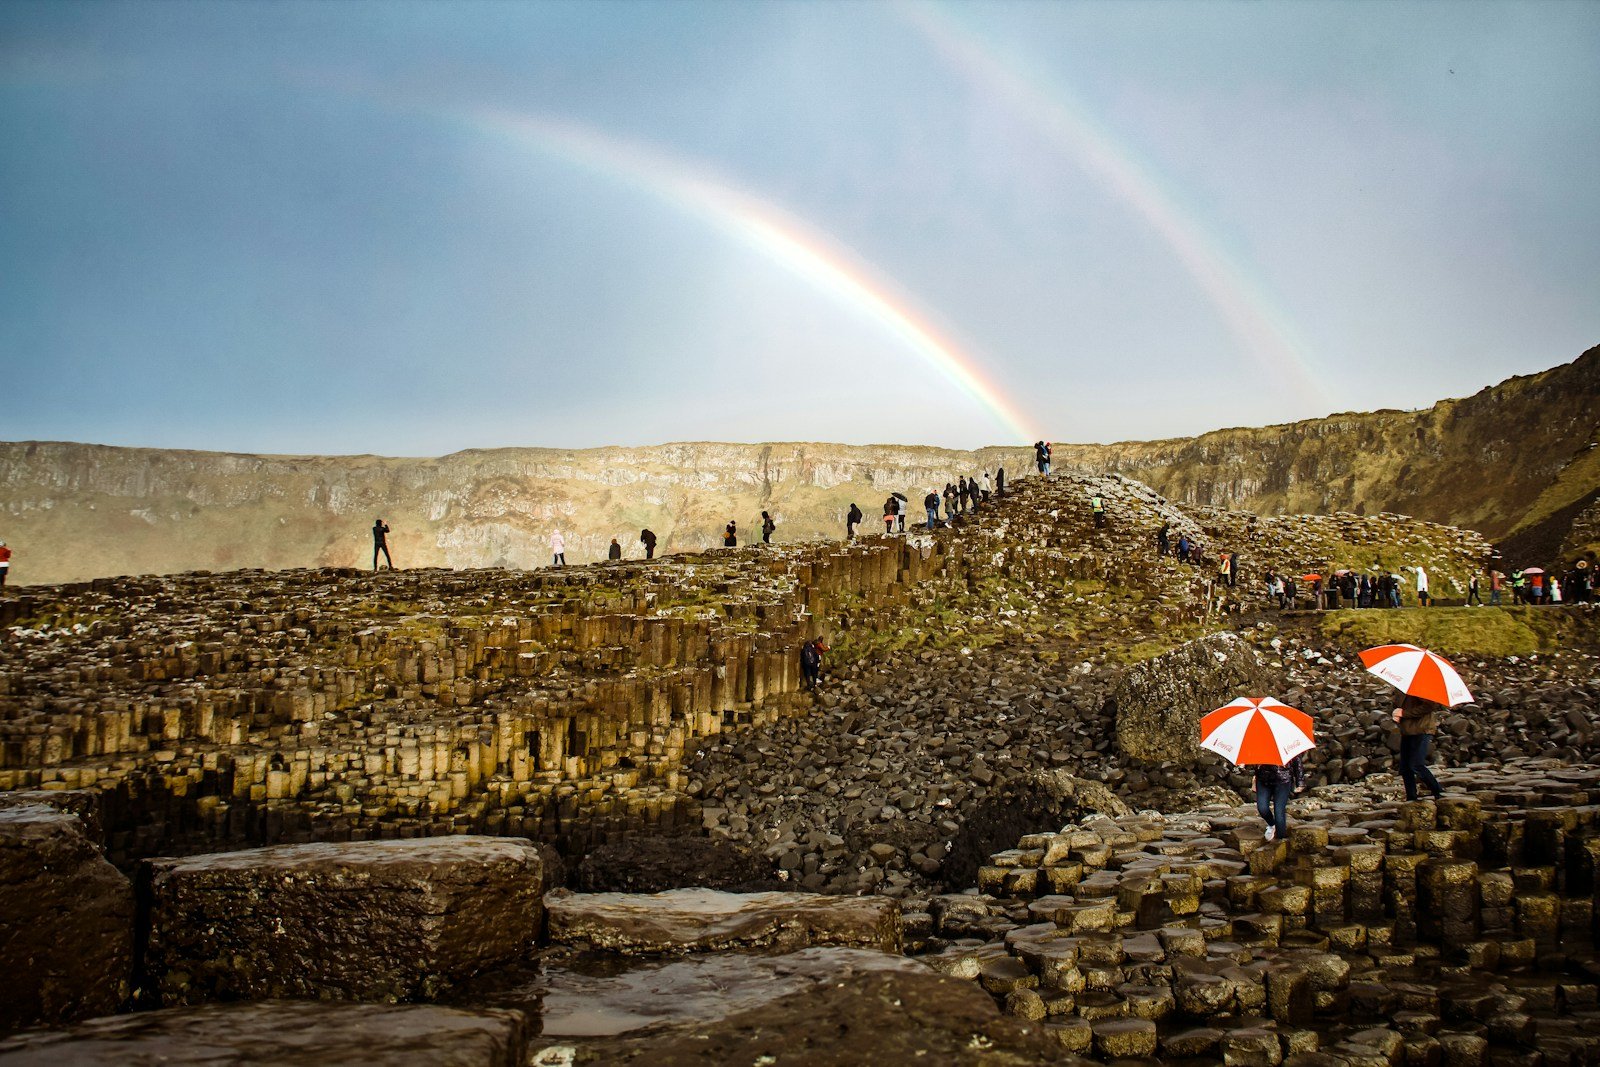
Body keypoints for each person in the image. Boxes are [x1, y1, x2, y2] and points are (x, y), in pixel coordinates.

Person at [1393, 693, 1444, 801]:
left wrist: (1404, 713)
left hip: (1421, 730)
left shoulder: (1422, 689)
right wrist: (1396, 713)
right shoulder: (1403, 688)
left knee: (1416, 764)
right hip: (1408, 731)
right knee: (1405, 768)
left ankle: (1439, 792)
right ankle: (1411, 798)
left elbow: (1429, 706)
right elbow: (1400, 705)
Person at [1255, 755, 1305, 842]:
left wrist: (1300, 782)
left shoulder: (1285, 746)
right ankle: (1272, 825)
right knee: (1262, 808)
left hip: (1283, 779)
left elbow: (1297, 761)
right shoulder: (1259, 746)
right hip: (1263, 778)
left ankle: (1281, 840)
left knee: (1279, 811)